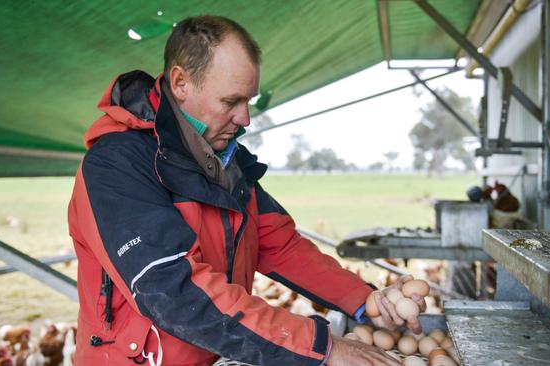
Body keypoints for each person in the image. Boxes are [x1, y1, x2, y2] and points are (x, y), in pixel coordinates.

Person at [68, 15, 425, 366]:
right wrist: (321, 347)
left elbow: (280, 245)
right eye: (231, 102)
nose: (246, 119)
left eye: (248, 102)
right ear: (180, 83)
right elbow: (171, 290)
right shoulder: (117, 164)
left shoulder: (224, 164)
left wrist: (364, 299)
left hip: (217, 353)